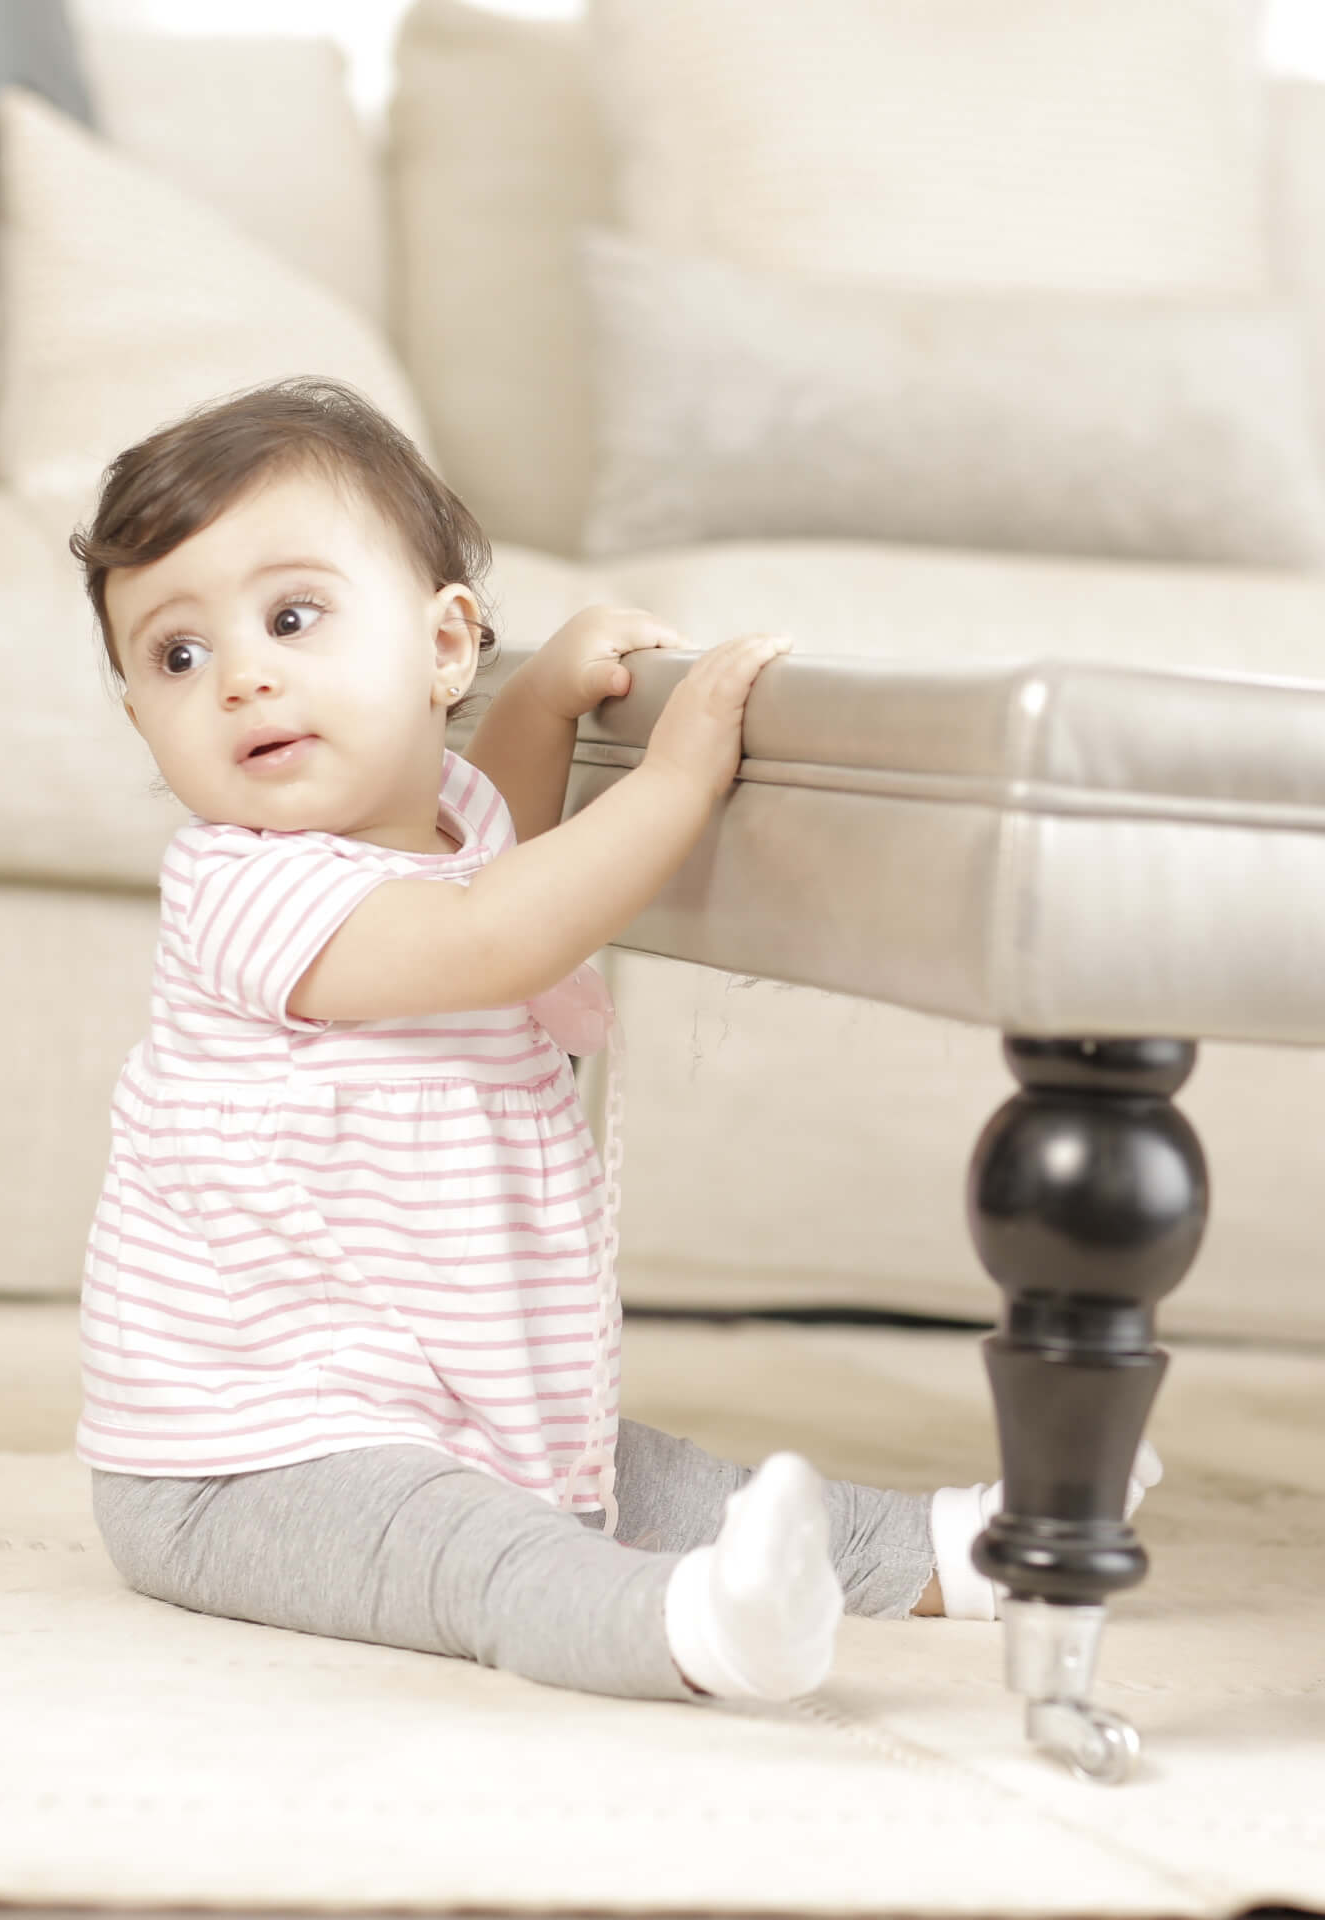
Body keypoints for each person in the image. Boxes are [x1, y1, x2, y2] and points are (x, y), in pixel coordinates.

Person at [68, 377, 1149, 1705]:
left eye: (292, 618)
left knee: (642, 1477)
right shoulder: (241, 888)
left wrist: (541, 702)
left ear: (444, 649)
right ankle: (687, 1631)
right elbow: (490, 939)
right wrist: (676, 780)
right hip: (244, 1457)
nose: (242, 676)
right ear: (142, 716)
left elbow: (500, 856)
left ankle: (961, 1551)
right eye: (177, 656)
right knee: (485, 1551)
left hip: (439, 1407)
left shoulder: (439, 829)